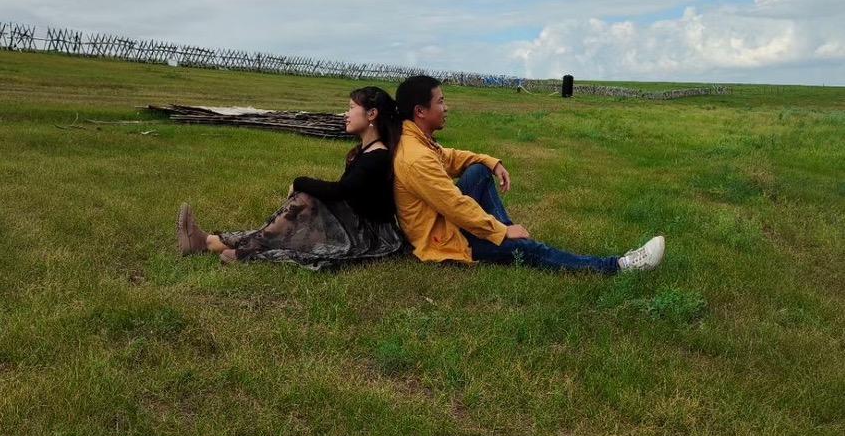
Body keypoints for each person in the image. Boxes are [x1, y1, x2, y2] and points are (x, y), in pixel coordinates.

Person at [392, 75, 665, 274]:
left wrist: (491, 162)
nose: (446, 107)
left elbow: (450, 158)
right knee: (530, 250)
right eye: (441, 102)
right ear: (420, 111)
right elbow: (454, 205)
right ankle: (618, 266)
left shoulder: (419, 141)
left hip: (447, 223)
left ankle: (515, 241)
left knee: (478, 170)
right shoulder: (415, 157)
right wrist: (501, 229)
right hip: (444, 240)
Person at [176, 86, 405, 270]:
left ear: (371, 114)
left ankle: (216, 244)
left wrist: (299, 181)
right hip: (353, 225)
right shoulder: (366, 152)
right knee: (292, 229)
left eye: (351, 107)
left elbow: (340, 191)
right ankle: (209, 242)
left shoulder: (377, 156)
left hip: (370, 237)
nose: (346, 114)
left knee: (304, 204)